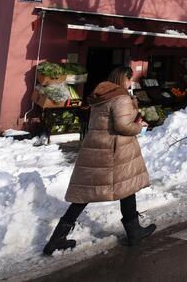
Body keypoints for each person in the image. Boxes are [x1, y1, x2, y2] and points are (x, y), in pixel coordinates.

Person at [43, 66, 155, 255]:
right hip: (114, 151)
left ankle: (57, 238)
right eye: (129, 79)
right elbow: (122, 125)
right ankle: (134, 231)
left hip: (98, 149)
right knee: (125, 187)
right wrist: (139, 127)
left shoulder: (102, 96)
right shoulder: (120, 97)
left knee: (90, 193)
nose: (130, 83)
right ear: (124, 79)